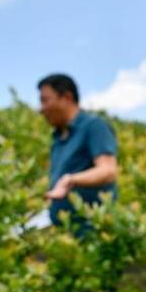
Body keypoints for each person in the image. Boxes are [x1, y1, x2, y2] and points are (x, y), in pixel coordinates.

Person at [38, 74, 118, 233]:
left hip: (89, 232)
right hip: (62, 232)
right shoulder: (57, 137)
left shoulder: (94, 126)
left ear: (67, 97)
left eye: (45, 100)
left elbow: (108, 171)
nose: (41, 109)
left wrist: (70, 180)